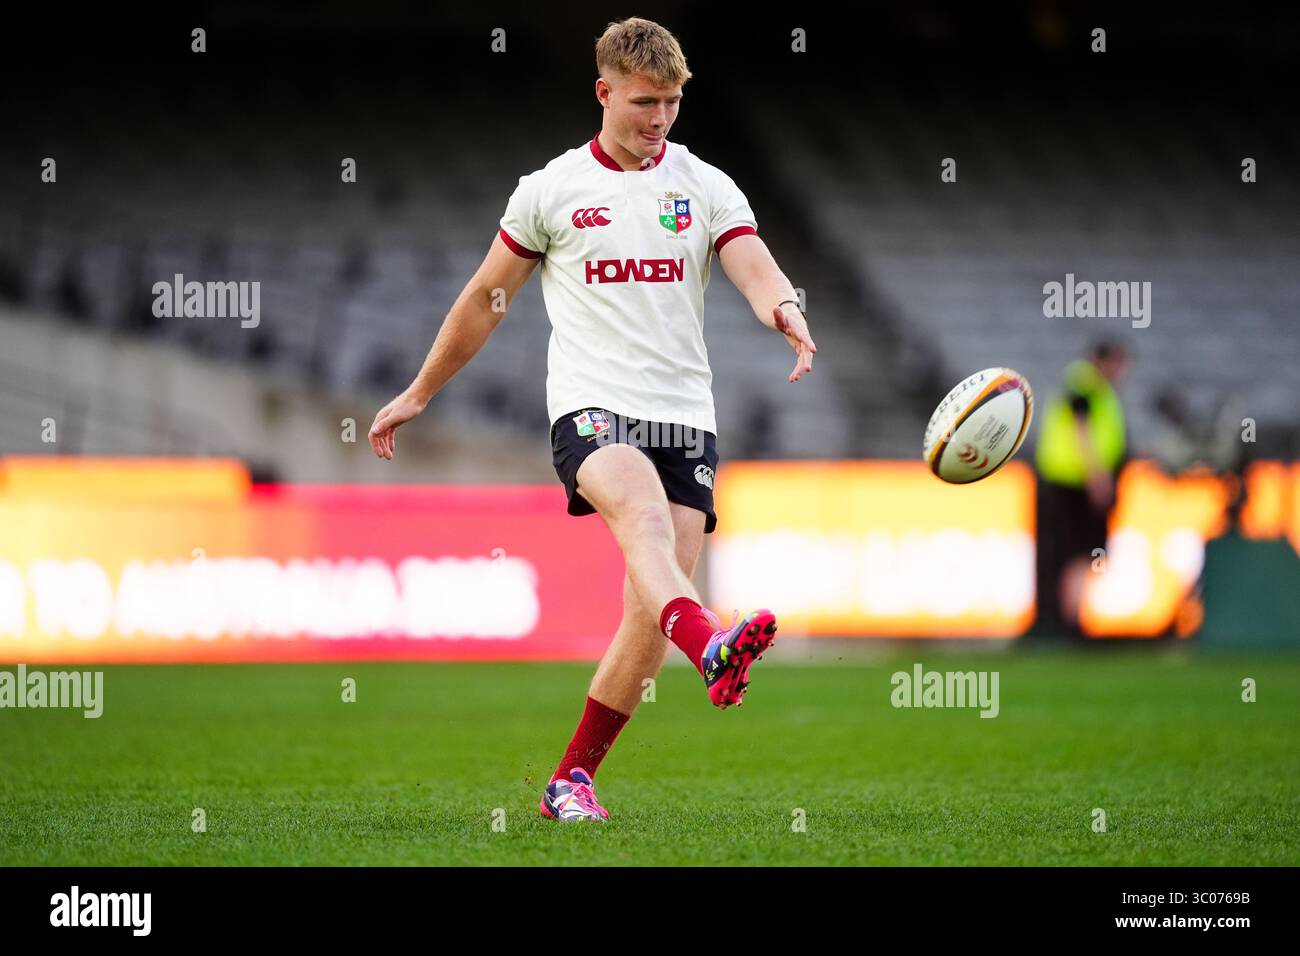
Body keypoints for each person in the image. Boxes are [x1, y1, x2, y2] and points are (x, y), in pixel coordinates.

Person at [366, 17, 816, 822]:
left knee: (648, 612)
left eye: (673, 103)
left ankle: (570, 779)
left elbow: (751, 258)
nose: (660, 119)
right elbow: (483, 298)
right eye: (646, 102)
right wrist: (421, 391)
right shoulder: (551, 190)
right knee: (640, 517)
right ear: (604, 92)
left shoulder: (705, 184)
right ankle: (712, 643)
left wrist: (781, 305)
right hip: (593, 408)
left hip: (685, 415)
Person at [1033, 340, 1129, 639]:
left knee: (1077, 554)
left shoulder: (1088, 386)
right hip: (1072, 484)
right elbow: (1082, 431)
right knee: (1078, 552)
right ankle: (1070, 622)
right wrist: (1098, 478)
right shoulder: (1085, 383)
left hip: (1069, 482)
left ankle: (1069, 619)